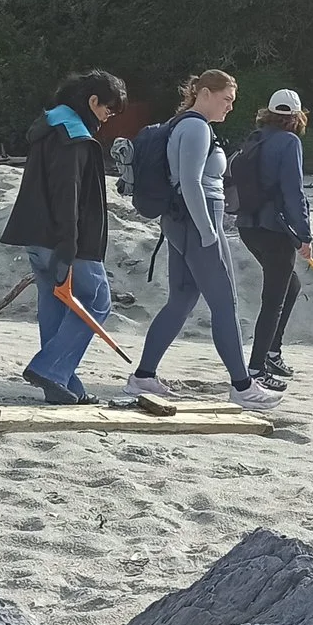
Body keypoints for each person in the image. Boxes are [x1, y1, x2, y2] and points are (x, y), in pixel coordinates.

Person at [129, 70, 283, 411]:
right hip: (197, 222)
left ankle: (143, 375)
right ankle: (242, 386)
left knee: (181, 299)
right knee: (225, 304)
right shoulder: (197, 126)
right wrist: (208, 231)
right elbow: (191, 182)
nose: (229, 107)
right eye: (226, 99)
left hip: (179, 223)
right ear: (205, 94)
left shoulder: (181, 123)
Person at [0, 70, 127, 405]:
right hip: (67, 240)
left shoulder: (50, 127)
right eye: (107, 110)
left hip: (37, 235)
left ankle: (63, 383)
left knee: (54, 302)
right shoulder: (73, 136)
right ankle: (52, 370)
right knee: (97, 301)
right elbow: (66, 193)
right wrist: (69, 244)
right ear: (92, 101)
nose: (107, 118)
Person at [233, 89, 313, 381]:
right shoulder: (289, 142)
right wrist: (304, 235)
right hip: (275, 230)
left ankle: (271, 353)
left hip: (248, 227)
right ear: (295, 117)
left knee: (290, 286)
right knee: (274, 299)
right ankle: (256, 368)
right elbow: (294, 192)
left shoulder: (255, 138)